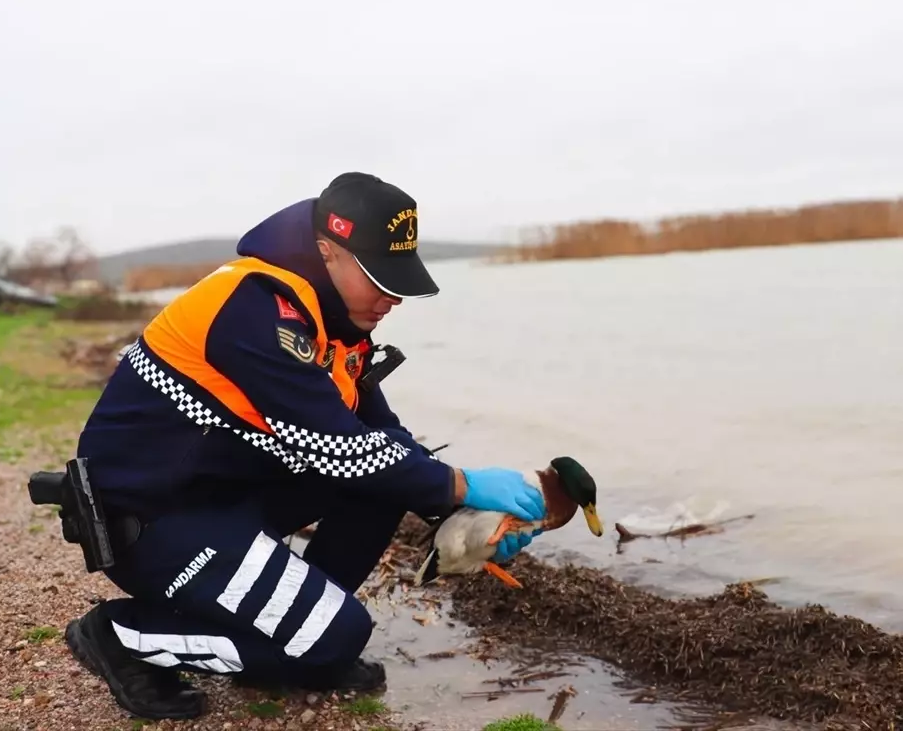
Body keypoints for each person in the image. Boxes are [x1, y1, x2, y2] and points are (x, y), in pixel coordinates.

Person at [58, 173, 547, 720]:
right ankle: (123, 635)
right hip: (154, 519)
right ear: (326, 251)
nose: (392, 298)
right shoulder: (253, 305)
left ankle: (299, 634)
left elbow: (380, 438)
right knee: (338, 639)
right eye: (380, 279)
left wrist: (463, 509)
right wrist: (461, 481)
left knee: (380, 487)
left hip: (220, 497)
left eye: (400, 281)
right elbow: (333, 447)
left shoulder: (334, 325)